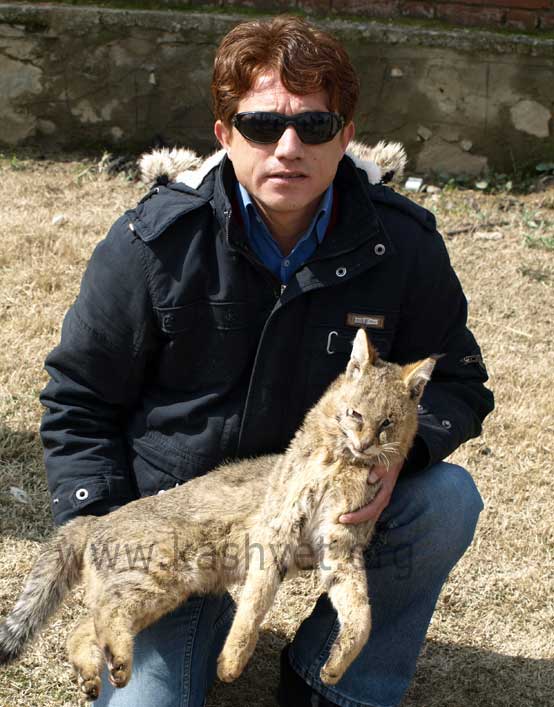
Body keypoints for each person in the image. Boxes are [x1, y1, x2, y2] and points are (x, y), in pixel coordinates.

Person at [40, 15, 494, 707]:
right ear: (224, 135)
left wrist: (408, 449)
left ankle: (337, 683)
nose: (288, 148)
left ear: (345, 135)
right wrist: (108, 530)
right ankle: (187, 628)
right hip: (189, 526)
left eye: (314, 127)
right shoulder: (152, 245)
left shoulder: (403, 246)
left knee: (447, 499)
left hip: (325, 505)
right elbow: (78, 399)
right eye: (260, 126)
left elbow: (460, 382)